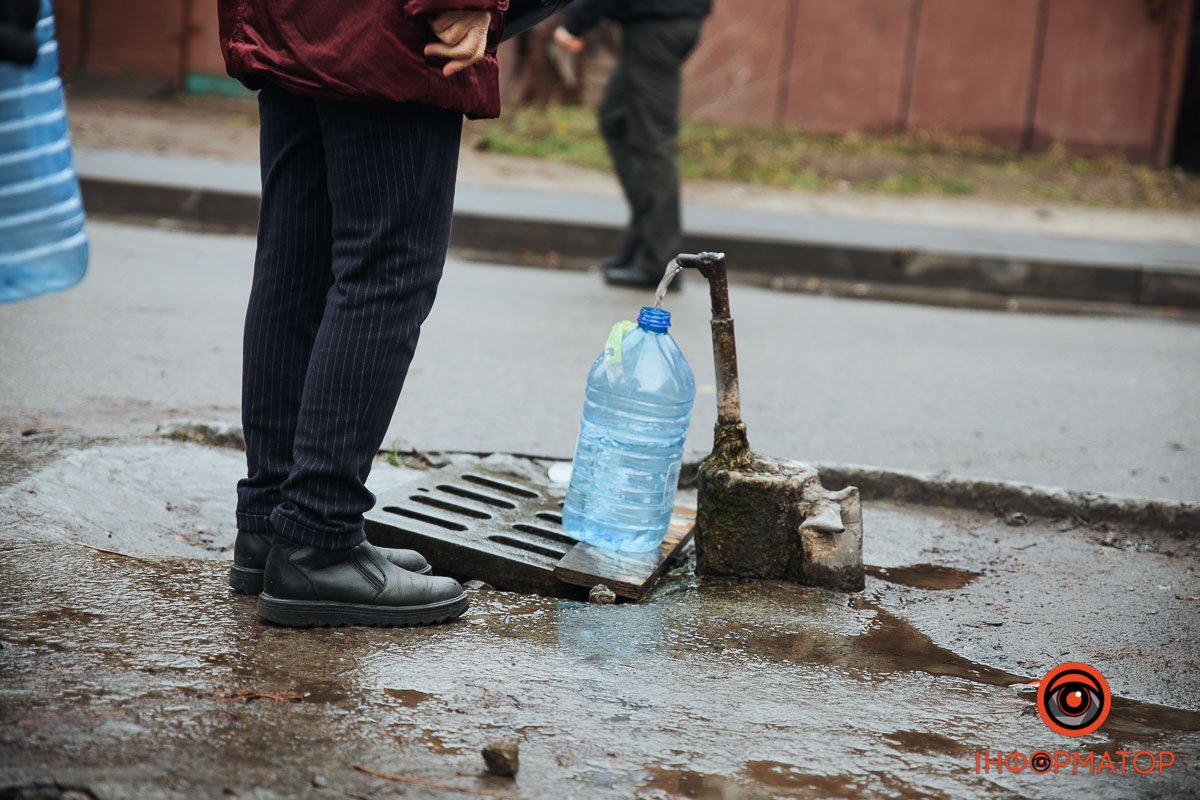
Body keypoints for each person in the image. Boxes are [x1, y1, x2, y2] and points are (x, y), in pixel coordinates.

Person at [217, 0, 505, 628]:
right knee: (386, 268)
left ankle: (272, 524)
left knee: (299, 261)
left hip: (287, 16)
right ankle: (317, 538)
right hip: (377, 26)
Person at [555, 0, 710, 289]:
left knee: (652, 140)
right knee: (617, 120)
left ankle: (660, 262)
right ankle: (645, 236)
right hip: (656, 18)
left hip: (659, 21)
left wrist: (575, 21)